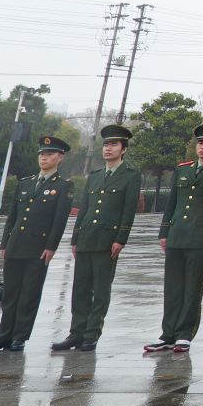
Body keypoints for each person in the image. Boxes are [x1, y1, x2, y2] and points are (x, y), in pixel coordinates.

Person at [147, 121, 203, 354]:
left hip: (200, 236)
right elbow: (172, 203)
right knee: (172, 287)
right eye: (200, 143)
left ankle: (184, 333)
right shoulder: (183, 170)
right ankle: (168, 334)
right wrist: (164, 232)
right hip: (177, 234)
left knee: (192, 287)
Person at [0, 134, 73, 353]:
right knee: (10, 294)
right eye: (41, 154)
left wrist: (51, 247)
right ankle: (3, 337)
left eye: (49, 154)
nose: (44, 158)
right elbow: (12, 217)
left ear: (60, 157)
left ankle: (19, 337)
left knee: (28, 295)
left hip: (38, 248)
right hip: (15, 246)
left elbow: (59, 221)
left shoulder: (63, 186)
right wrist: (5, 243)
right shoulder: (25, 183)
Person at [53, 123, 138, 353]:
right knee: (80, 289)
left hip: (107, 241)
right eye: (106, 144)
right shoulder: (95, 176)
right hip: (86, 238)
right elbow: (85, 208)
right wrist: (75, 238)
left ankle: (91, 334)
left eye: (114, 144)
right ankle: (76, 333)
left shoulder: (131, 176)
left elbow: (128, 211)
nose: (108, 148)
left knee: (100, 290)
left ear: (123, 149)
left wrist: (120, 239)